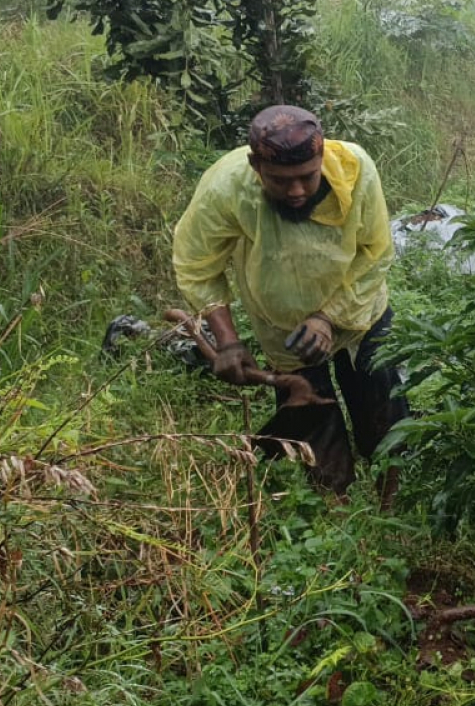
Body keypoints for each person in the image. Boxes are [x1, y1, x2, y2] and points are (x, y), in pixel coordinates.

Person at [172, 105, 408, 507]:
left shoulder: (356, 169)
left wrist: (328, 318)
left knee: (383, 410)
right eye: (281, 181)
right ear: (255, 165)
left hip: (358, 315)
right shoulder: (226, 189)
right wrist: (227, 341)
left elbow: (376, 252)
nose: (297, 191)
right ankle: (336, 510)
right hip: (284, 329)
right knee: (315, 429)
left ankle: (392, 503)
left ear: (323, 158)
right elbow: (197, 266)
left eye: (307, 177)